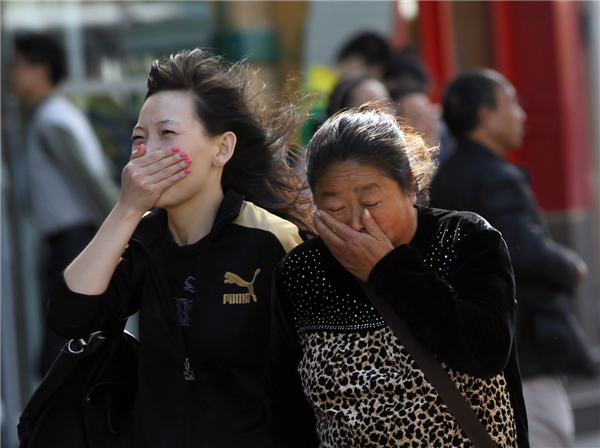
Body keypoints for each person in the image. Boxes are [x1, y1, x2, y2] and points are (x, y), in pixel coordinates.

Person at [46, 48, 311, 447]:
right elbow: (70, 317)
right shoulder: (143, 240)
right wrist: (127, 208)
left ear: (222, 148)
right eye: (139, 139)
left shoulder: (270, 240)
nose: (147, 151)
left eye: (167, 134)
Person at [265, 104, 529, 448]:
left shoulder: (465, 238)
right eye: (335, 209)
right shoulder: (301, 272)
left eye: (371, 201)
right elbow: (286, 407)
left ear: (410, 186)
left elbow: (486, 352)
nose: (356, 222)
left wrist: (386, 270)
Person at [430, 69, 595, 448]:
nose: (521, 114)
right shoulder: (495, 177)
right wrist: (571, 268)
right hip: (521, 344)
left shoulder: (447, 177)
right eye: (512, 103)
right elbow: (523, 247)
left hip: (470, 345)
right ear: (486, 116)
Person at [8, 33, 119, 376]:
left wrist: (126, 229)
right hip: (69, 243)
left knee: (65, 351)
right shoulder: (50, 116)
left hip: (74, 245)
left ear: (40, 70)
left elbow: (91, 183)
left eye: (16, 66)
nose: (10, 75)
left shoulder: (52, 120)